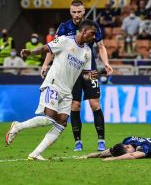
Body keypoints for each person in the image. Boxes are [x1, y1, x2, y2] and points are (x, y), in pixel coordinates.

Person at [5, 20, 98, 161]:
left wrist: (90, 76)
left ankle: (34, 154)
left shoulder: (87, 52)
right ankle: (18, 126)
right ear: (84, 32)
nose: (94, 37)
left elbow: (84, 74)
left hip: (67, 91)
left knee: (61, 122)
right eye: (92, 33)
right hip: (53, 84)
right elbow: (45, 48)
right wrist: (30, 53)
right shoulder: (65, 40)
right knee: (50, 118)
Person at [41, 0, 113, 152]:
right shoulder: (64, 27)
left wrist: (106, 63)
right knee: (75, 105)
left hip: (89, 70)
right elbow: (53, 47)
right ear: (70, 11)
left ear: (83, 11)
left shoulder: (92, 26)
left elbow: (101, 46)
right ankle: (78, 142)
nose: (76, 15)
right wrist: (45, 64)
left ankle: (101, 140)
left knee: (95, 104)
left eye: (79, 12)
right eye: (74, 12)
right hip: (71, 72)